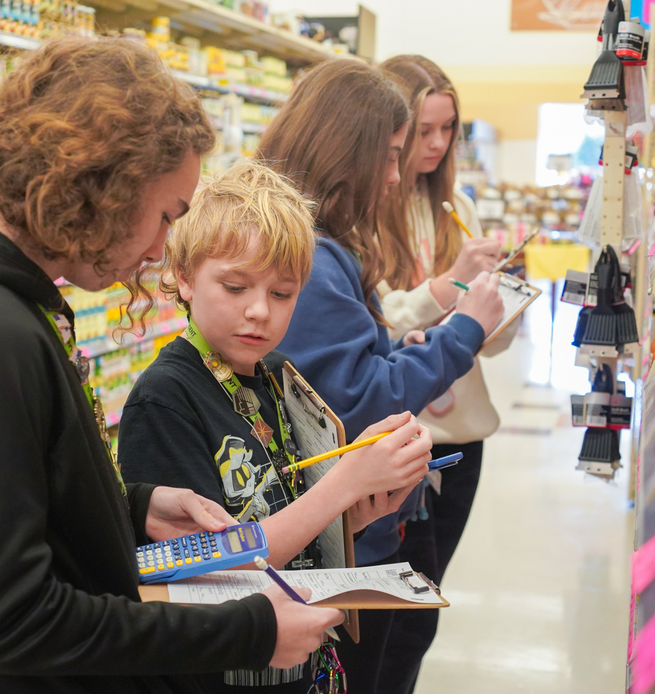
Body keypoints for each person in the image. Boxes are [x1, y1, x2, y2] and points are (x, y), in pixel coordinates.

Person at [0, 37, 342, 694]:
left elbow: (2, 508)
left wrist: (130, 509)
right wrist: (249, 631)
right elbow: (6, 619)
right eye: (165, 216)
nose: (163, 248)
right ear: (105, 182)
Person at [119, 159, 433, 693]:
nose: (259, 311)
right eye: (235, 287)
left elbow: (281, 525)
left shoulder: (276, 375)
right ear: (185, 277)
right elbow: (207, 577)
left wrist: (354, 512)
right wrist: (342, 485)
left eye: (282, 294)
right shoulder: (165, 399)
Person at [256, 59, 505, 693]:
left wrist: (394, 343)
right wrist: (462, 332)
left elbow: (344, 363)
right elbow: (360, 398)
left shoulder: (326, 246)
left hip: (352, 521)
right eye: (391, 153)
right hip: (343, 538)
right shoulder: (315, 255)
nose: (398, 174)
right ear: (349, 153)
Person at [374, 54, 519, 694]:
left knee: (420, 609)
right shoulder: (364, 207)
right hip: (392, 429)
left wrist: (504, 297)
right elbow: (375, 321)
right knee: (387, 615)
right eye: (422, 131)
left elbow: (489, 342)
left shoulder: (456, 206)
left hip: (459, 434)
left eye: (447, 130)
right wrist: (447, 284)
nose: (435, 146)